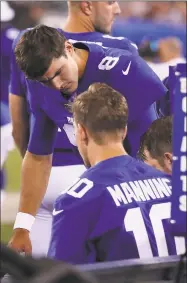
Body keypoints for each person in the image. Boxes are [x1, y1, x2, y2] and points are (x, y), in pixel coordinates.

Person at [9, 24, 166, 256]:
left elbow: (154, 152)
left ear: (69, 48)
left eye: (58, 72)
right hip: (106, 179)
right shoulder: (40, 81)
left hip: (145, 182)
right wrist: (22, 225)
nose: (56, 85)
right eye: (45, 81)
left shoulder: (124, 69)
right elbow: (38, 155)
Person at [48, 83, 185, 263]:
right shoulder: (172, 187)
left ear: (81, 132)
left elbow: (61, 277)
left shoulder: (75, 201)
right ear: (124, 130)